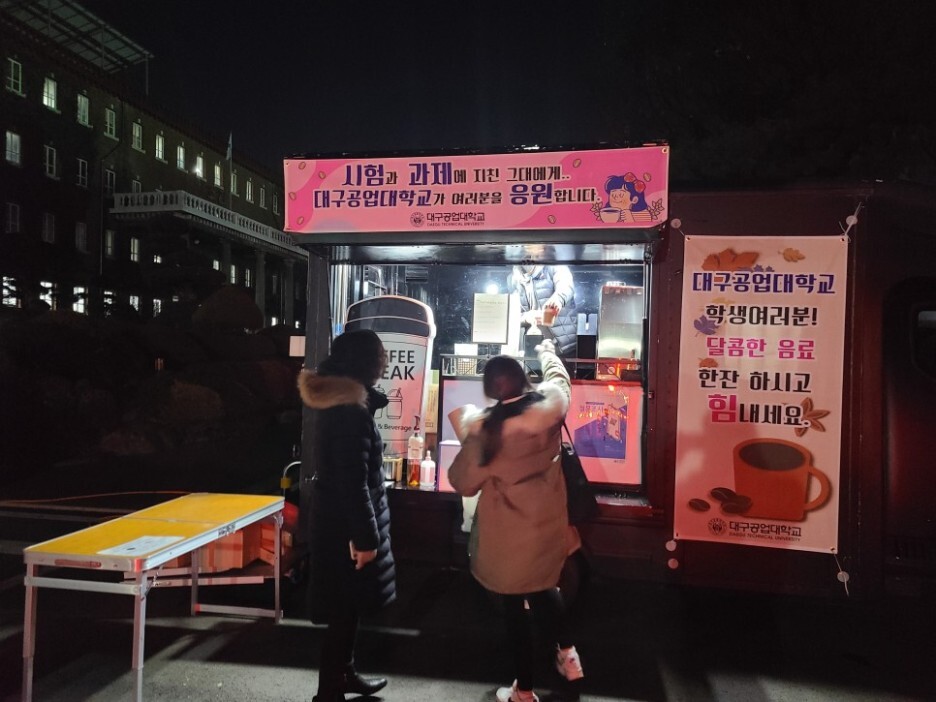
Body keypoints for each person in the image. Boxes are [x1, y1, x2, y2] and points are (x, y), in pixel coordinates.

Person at [448, 339, 584, 702]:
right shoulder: (552, 407)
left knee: (515, 611)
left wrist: (468, 431)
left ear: (490, 389)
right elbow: (559, 378)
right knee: (545, 587)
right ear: (524, 379)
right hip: (547, 526)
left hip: (507, 539)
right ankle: (570, 658)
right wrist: (546, 349)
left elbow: (462, 482)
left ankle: (523, 691)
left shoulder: (486, 432)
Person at [297, 329, 396, 702]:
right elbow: (352, 482)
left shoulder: (347, 403)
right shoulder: (349, 412)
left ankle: (344, 674)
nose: (385, 360)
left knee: (348, 607)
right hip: (343, 529)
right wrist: (366, 538)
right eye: (380, 354)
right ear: (364, 361)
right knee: (342, 610)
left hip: (339, 522)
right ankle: (329, 691)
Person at [508, 264, 577, 357]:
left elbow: (566, 288)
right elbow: (512, 314)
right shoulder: (513, 279)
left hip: (565, 347)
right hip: (535, 348)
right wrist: (526, 317)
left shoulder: (556, 266)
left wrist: (553, 305)